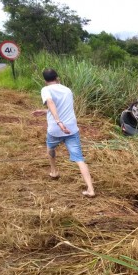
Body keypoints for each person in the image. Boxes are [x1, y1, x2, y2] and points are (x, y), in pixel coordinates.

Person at [32, 68, 95, 197]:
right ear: (57, 78)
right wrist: (44, 112)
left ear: (45, 80)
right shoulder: (67, 90)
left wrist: (58, 122)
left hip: (55, 129)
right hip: (71, 129)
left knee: (50, 148)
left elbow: (50, 102)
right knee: (79, 159)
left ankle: (54, 171)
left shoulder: (46, 89)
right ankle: (90, 189)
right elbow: (61, 107)